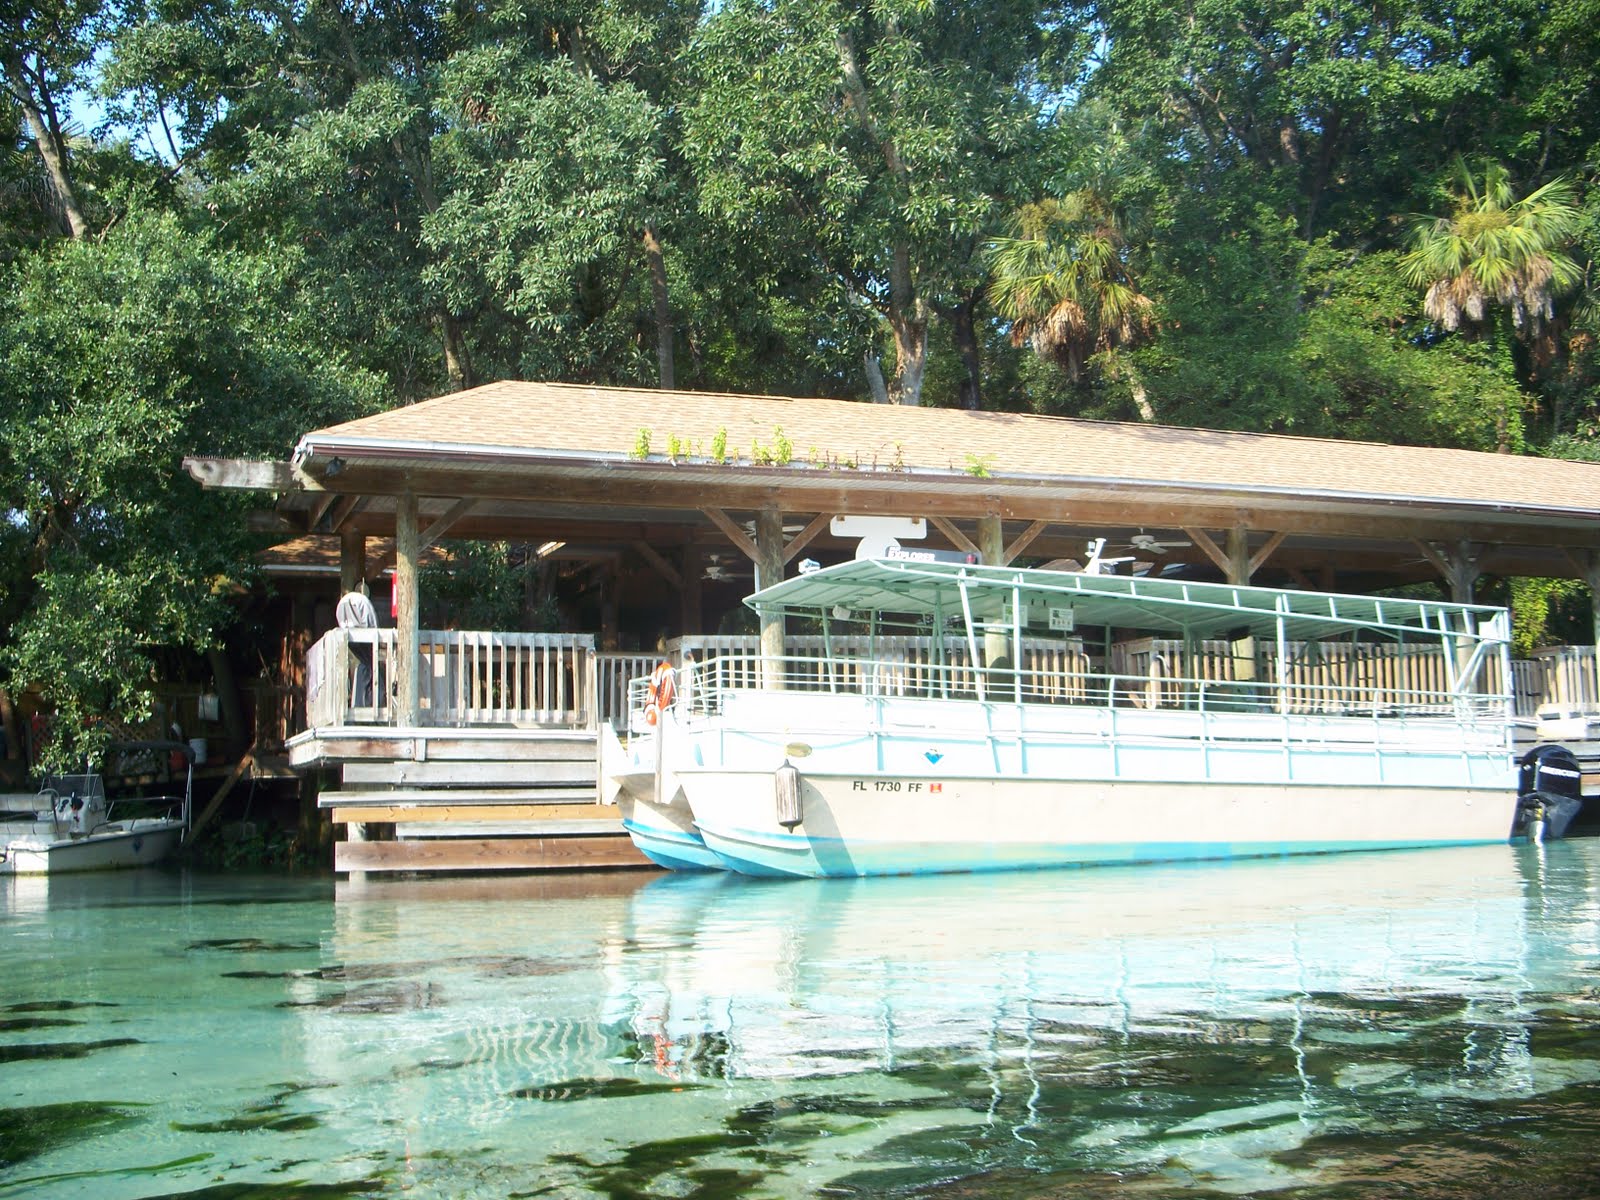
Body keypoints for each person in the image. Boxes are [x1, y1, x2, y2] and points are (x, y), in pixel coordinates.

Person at [336, 588, 379, 707]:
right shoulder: (361, 602)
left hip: (361, 649)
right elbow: (372, 624)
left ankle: (361, 702)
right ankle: (363, 703)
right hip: (363, 650)